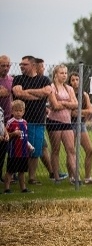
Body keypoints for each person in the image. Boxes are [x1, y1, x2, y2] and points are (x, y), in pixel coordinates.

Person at [12, 55, 53, 185]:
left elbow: (46, 92)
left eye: (25, 64)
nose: (21, 66)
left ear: (33, 65)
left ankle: (32, 177)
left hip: (38, 121)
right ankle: (17, 176)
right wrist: (37, 95)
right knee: (19, 149)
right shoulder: (18, 78)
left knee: (34, 150)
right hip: (21, 121)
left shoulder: (44, 79)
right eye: (20, 64)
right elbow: (18, 93)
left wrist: (28, 92)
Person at [46, 64, 78, 183]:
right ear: (56, 74)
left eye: (65, 73)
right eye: (61, 73)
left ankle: (75, 177)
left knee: (71, 149)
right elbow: (54, 105)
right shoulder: (51, 87)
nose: (64, 75)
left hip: (67, 122)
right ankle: (56, 177)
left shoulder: (69, 88)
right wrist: (67, 103)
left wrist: (63, 103)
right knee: (55, 150)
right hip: (54, 122)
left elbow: (76, 104)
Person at [69, 72, 92, 185]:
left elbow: (90, 111)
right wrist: (77, 113)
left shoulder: (84, 94)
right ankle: (72, 177)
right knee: (71, 151)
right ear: (70, 82)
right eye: (73, 80)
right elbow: (70, 113)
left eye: (77, 79)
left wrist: (78, 112)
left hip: (81, 125)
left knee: (90, 151)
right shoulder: (68, 93)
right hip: (70, 125)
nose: (75, 82)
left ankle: (87, 177)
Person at [4, 100, 33, 193]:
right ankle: (7, 188)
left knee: (22, 171)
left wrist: (29, 146)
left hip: (23, 152)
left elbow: (25, 137)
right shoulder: (10, 122)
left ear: (23, 112)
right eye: (16, 111)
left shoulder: (24, 122)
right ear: (12, 111)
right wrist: (13, 133)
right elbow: (6, 134)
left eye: (20, 111)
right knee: (10, 171)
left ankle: (23, 188)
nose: (18, 113)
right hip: (14, 151)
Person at [0, 55, 12, 181]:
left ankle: (7, 175)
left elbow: (10, 95)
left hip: (8, 117)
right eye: (2, 65)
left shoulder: (11, 80)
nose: (5, 68)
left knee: (6, 149)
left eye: (7, 65)